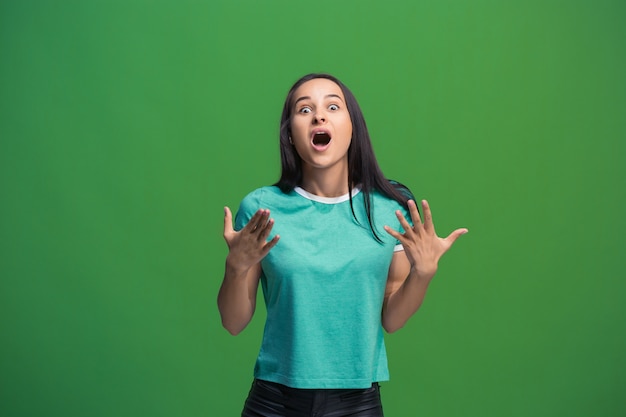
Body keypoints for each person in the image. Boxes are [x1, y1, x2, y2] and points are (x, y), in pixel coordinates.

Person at [218, 73, 468, 417]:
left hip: (356, 401)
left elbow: (392, 319)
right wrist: (235, 267)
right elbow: (233, 323)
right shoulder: (262, 208)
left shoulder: (389, 208)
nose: (319, 116)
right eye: (304, 110)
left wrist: (423, 273)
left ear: (353, 128)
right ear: (290, 134)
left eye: (332, 107)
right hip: (274, 401)